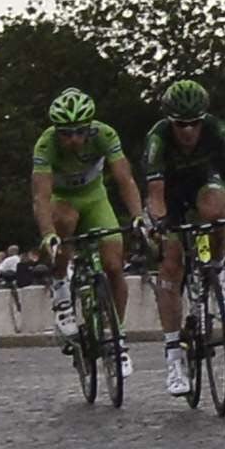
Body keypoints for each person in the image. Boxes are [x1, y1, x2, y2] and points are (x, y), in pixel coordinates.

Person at [141, 77, 225, 397]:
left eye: (194, 123)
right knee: (171, 264)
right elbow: (155, 195)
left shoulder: (216, 128)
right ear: (171, 122)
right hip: (169, 195)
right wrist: (160, 225)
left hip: (202, 182)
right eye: (181, 124)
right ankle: (173, 357)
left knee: (216, 208)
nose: (188, 131)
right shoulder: (157, 139)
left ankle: (216, 270)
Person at [27, 92, 147, 359]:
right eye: (66, 134)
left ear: (90, 127)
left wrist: (138, 216)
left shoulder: (105, 134)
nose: (74, 140)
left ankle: (116, 333)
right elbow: (41, 197)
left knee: (115, 264)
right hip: (63, 199)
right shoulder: (45, 145)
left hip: (95, 197)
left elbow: (125, 180)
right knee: (65, 223)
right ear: (57, 131)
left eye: (80, 132)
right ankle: (60, 288)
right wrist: (48, 234)